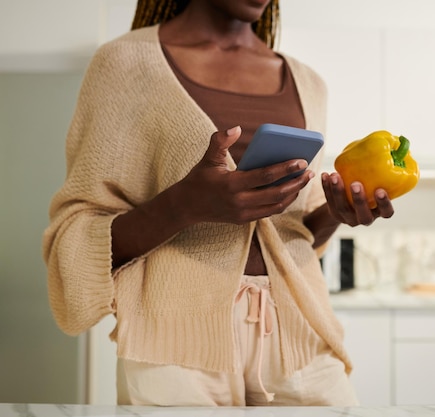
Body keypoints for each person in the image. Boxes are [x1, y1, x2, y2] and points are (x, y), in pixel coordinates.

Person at [43, 0, 395, 407]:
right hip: (175, 338)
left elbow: (297, 233)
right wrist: (184, 205)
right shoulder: (124, 63)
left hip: (300, 331)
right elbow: (79, 227)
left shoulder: (308, 81)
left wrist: (335, 215)